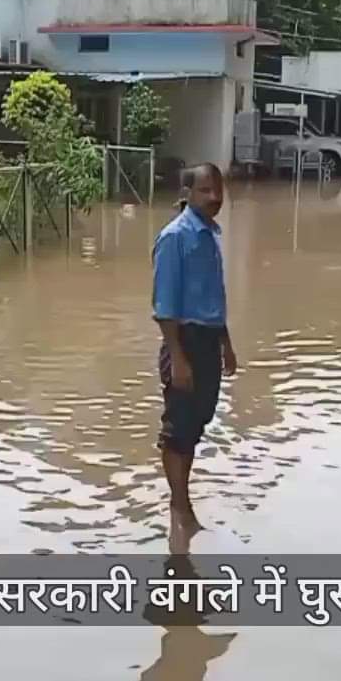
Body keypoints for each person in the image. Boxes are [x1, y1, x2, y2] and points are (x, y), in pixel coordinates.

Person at [151, 163, 237, 534]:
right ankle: (179, 506)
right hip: (183, 341)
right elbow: (164, 306)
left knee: (198, 421)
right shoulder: (176, 237)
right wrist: (179, 360)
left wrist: (227, 345)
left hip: (208, 341)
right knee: (178, 428)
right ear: (188, 193)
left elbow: (213, 296)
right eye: (205, 191)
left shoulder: (209, 234)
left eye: (218, 190)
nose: (214, 198)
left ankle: (181, 502)